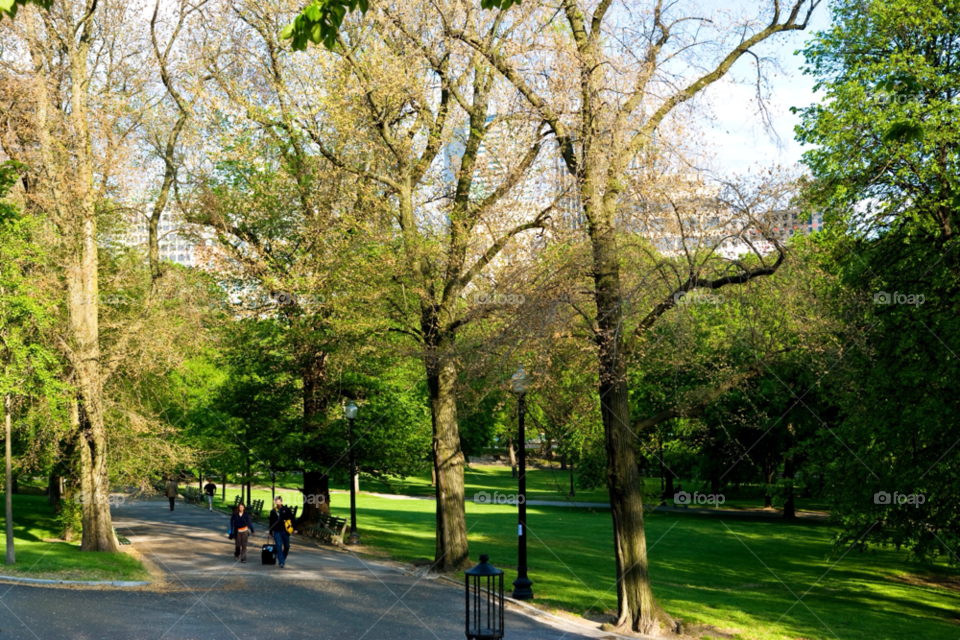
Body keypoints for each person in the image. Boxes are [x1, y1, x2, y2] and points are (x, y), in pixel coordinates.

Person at [267, 496, 297, 568]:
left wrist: (295, 528)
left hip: (285, 531)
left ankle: (283, 557)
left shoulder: (286, 509)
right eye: (276, 501)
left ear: (281, 501)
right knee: (278, 545)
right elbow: (271, 522)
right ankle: (281, 562)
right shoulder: (273, 511)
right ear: (275, 502)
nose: (278, 502)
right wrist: (270, 532)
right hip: (277, 531)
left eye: (279, 501)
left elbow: (292, 519)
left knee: (287, 546)